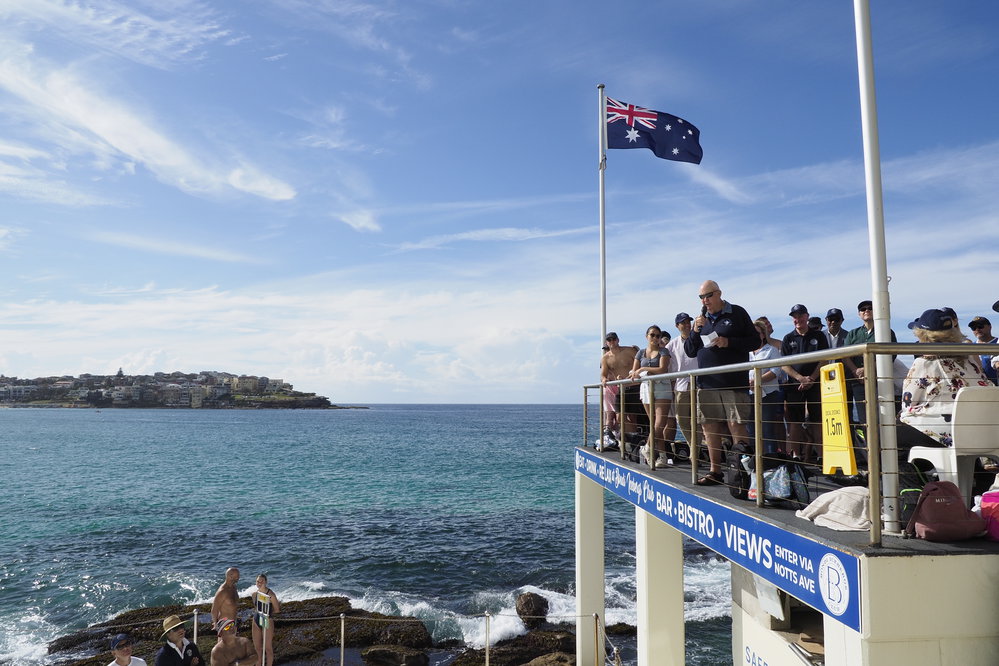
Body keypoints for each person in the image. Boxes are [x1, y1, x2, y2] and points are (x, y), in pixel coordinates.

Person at [684, 280, 761, 485]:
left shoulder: (737, 313)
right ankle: (715, 471)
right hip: (707, 384)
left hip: (733, 382)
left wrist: (729, 342)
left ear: (719, 294)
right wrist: (695, 330)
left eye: (708, 296)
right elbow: (690, 351)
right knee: (709, 428)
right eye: (701, 297)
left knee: (736, 426)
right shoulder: (701, 319)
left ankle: (743, 473)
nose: (705, 301)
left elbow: (755, 342)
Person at [898, 309, 992, 448]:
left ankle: (915, 468)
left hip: (943, 432)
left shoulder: (923, 363)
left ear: (923, 335)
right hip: (979, 429)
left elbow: (908, 404)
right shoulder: (970, 360)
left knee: (887, 432)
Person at [781, 305, 829, 462]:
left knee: (817, 421)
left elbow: (824, 359)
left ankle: (822, 456)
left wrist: (812, 379)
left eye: (801, 315)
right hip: (794, 386)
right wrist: (800, 378)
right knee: (795, 422)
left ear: (807, 316)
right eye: (795, 316)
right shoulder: (788, 338)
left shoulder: (819, 336)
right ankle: (795, 456)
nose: (798, 319)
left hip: (815, 384)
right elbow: (784, 364)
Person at [629, 325, 673, 466]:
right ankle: (662, 457)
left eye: (658, 335)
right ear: (646, 336)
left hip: (662, 387)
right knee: (654, 424)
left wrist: (643, 369)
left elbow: (662, 369)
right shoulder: (640, 353)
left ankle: (647, 448)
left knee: (660, 424)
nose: (655, 338)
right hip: (646, 388)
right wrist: (632, 373)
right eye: (652, 335)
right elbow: (633, 372)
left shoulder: (664, 351)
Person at [749, 319, 784, 454]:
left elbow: (776, 371)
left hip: (768, 394)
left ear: (763, 334)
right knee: (751, 428)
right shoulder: (747, 353)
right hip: (750, 395)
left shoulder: (772, 350)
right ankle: (755, 460)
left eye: (757, 333)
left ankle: (770, 462)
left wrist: (758, 380)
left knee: (768, 428)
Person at [601, 332, 641, 440]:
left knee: (632, 416)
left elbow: (640, 365)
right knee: (619, 417)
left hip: (635, 386)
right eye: (609, 340)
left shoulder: (630, 351)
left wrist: (634, 374)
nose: (612, 342)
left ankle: (634, 438)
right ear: (606, 342)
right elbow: (603, 374)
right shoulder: (605, 358)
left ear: (618, 340)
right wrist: (604, 379)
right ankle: (629, 438)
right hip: (621, 388)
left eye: (614, 339)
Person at [250, 574, 281, 666]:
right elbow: (256, 608)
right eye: (257, 581)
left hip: (267, 620)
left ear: (266, 582)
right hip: (256, 620)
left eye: (261, 581)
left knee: (267, 648)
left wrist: (268, 615)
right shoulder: (254, 594)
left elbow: (277, 610)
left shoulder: (271, 595)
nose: (259, 583)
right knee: (257, 648)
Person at [969, 316, 998, 385]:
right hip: (978, 387)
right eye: (974, 328)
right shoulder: (970, 347)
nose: (977, 329)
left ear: (990, 327)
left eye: (980, 326)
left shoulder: (997, 343)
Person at [212, 568, 241, 632]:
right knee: (224, 641)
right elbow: (214, 609)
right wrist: (215, 624)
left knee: (231, 641)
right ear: (230, 576)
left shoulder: (234, 587)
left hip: (233, 622)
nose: (239, 577)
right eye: (237, 576)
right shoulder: (222, 591)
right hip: (225, 623)